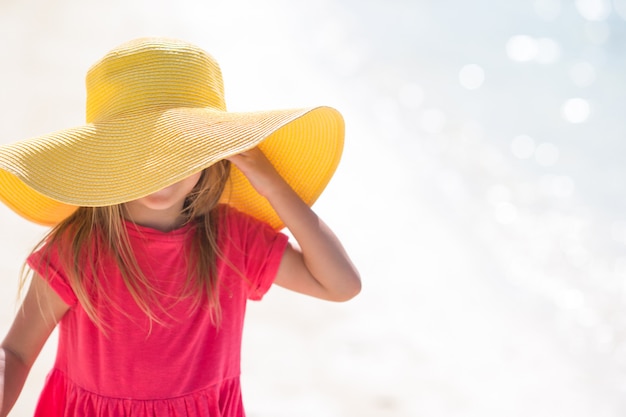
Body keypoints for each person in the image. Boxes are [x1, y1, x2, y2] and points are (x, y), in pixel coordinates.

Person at [0, 38, 360, 416]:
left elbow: (340, 285)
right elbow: (17, 352)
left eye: (181, 152)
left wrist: (272, 184)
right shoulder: (80, 249)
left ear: (212, 154)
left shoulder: (232, 240)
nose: (161, 173)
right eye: (140, 152)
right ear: (107, 157)